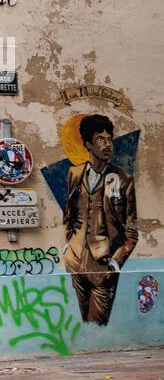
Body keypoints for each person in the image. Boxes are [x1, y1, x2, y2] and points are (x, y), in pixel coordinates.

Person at [61, 114, 137, 325]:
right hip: (76, 262)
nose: (107, 145)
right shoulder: (74, 174)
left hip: (104, 265)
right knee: (82, 324)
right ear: (87, 144)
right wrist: (67, 248)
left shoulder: (123, 179)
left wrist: (115, 262)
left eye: (109, 139)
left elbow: (131, 230)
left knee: (98, 324)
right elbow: (69, 214)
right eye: (100, 139)